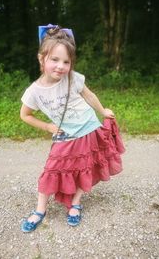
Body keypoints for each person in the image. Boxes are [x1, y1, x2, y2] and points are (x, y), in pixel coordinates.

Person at [20, 24, 125, 233]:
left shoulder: (72, 77)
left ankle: (76, 202)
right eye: (54, 60)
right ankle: (40, 209)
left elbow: (89, 95)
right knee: (51, 170)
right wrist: (48, 126)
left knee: (83, 168)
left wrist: (103, 111)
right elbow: (25, 115)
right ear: (42, 59)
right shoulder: (34, 91)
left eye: (66, 61)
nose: (60, 66)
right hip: (66, 136)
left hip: (89, 130)